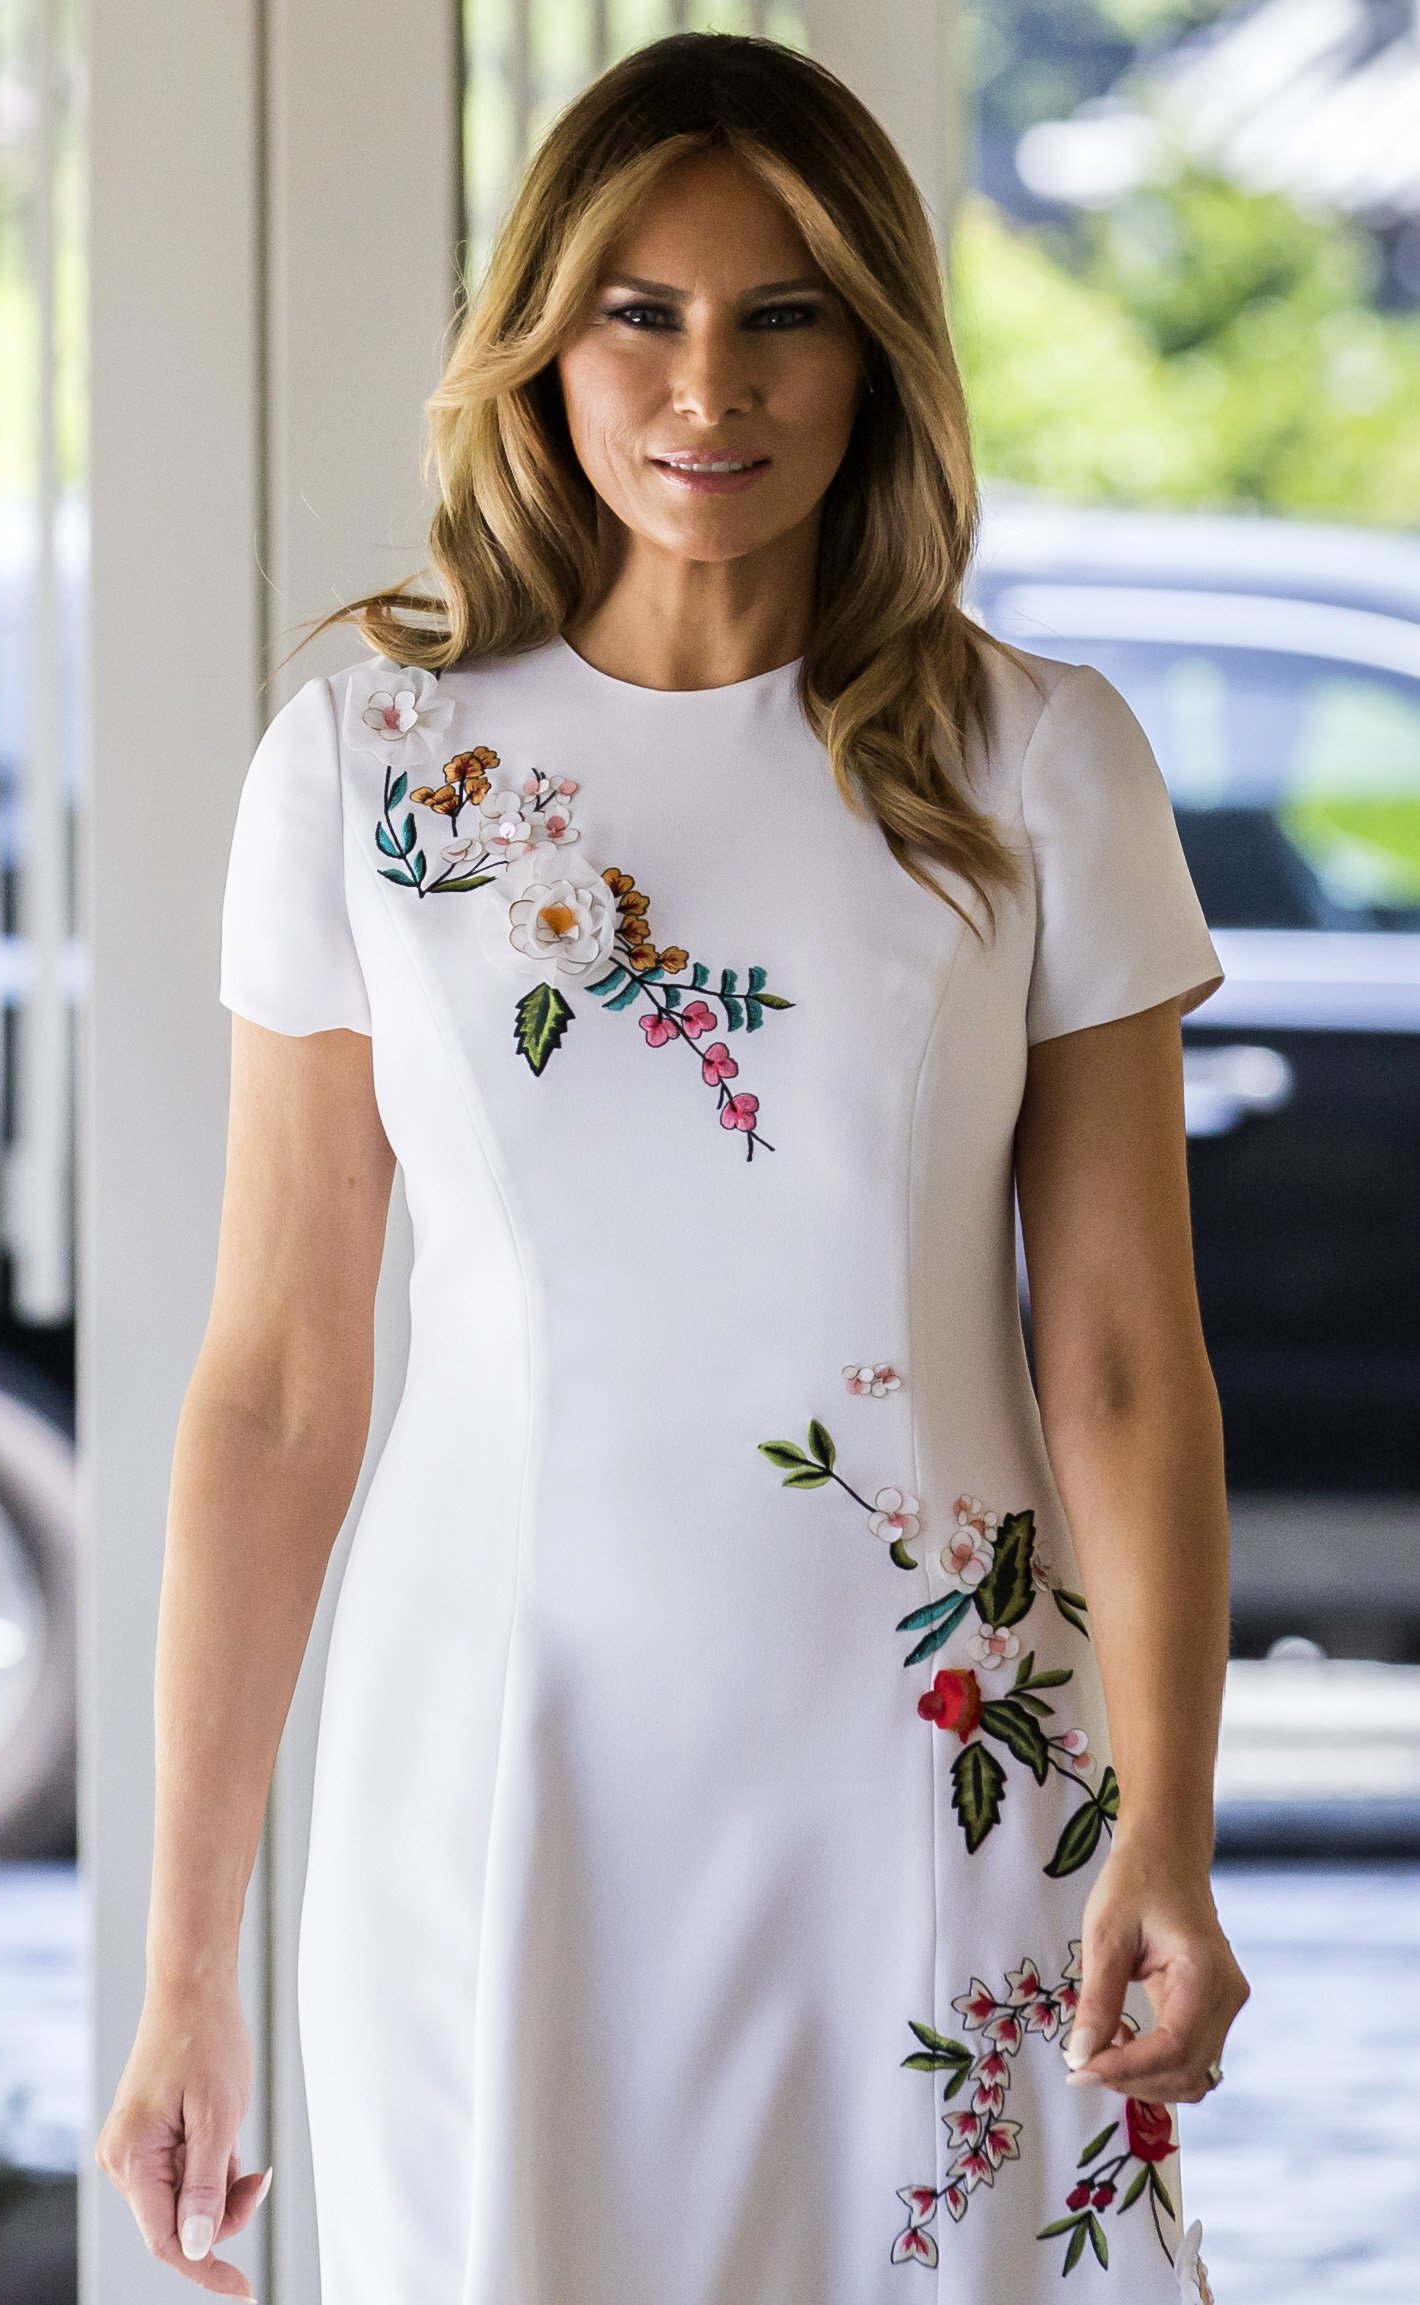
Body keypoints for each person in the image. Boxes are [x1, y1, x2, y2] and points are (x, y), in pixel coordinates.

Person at [95, 36, 1248, 2303]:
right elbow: (277, 1386)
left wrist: (1174, 1838)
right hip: (494, 1776)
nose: (707, 385)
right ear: (538, 340)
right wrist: (186, 1957)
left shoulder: (1038, 763)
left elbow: (1122, 1365)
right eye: (641, 310)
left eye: (784, 311)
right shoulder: (368, 768)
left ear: (878, 353)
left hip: (939, 1775)